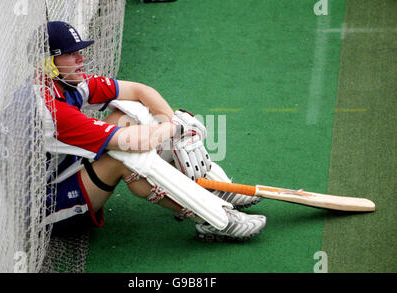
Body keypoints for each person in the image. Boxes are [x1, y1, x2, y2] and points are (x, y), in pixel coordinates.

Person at [39, 21, 266, 242]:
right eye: (70, 54)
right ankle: (216, 219)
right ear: (49, 63)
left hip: (65, 171)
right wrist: (174, 128)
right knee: (126, 155)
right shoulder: (52, 110)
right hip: (51, 206)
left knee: (132, 115)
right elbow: (135, 143)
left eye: (79, 51)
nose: (81, 58)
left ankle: (214, 188)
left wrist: (174, 125)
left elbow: (140, 90)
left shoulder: (62, 83)